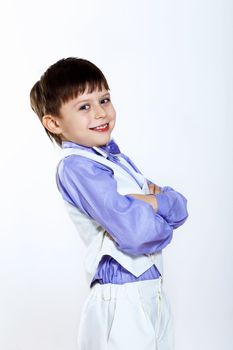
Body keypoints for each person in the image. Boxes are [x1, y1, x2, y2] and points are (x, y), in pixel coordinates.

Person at [30, 57, 189, 350]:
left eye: (104, 99)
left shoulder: (113, 159)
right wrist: (158, 209)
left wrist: (148, 203)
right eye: (84, 106)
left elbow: (180, 207)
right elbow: (136, 234)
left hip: (151, 291)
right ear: (54, 123)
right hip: (122, 298)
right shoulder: (77, 166)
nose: (101, 113)